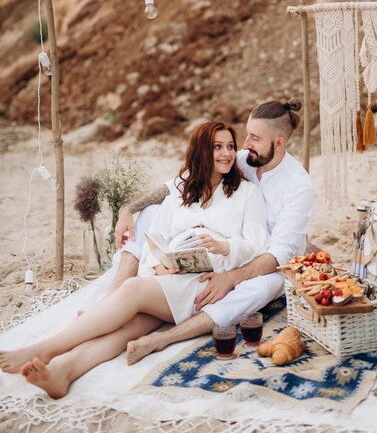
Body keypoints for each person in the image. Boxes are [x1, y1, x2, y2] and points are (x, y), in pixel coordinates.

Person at [0, 122, 267, 398]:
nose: (227, 153)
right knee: (125, 330)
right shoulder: (182, 190)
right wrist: (159, 264)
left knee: (132, 288)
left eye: (231, 147)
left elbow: (257, 244)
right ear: (201, 151)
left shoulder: (246, 193)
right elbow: (155, 237)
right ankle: (63, 372)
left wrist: (224, 247)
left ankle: (48, 348)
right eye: (218, 147)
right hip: (170, 276)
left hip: (204, 283)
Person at [115, 99, 314, 364]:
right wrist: (129, 208)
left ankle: (164, 338)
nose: (244, 145)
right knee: (148, 214)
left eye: (254, 138)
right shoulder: (245, 159)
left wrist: (232, 277)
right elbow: (177, 185)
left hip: (268, 261)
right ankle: (115, 295)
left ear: (278, 143)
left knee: (259, 288)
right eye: (246, 135)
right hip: (231, 244)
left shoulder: (298, 185)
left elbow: (280, 254)